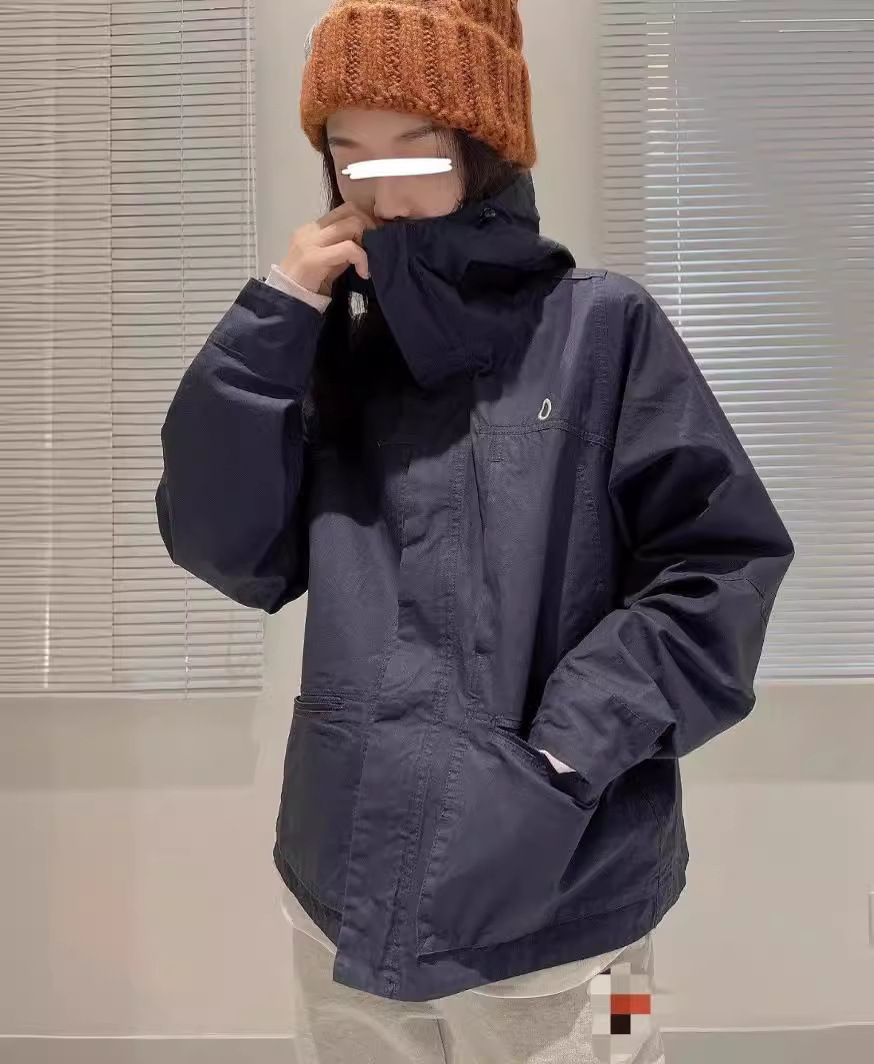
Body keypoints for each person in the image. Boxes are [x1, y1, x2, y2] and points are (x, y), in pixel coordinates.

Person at [156, 1, 793, 1060]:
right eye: (348, 154)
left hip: (573, 908)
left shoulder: (602, 327)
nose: (377, 189)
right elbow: (228, 547)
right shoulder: (333, 351)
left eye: (414, 150)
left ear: (483, 151)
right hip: (338, 896)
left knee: (619, 1043)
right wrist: (275, 314)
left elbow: (720, 565)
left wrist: (563, 750)